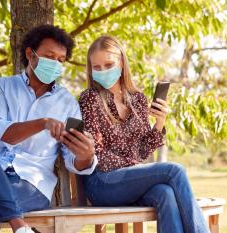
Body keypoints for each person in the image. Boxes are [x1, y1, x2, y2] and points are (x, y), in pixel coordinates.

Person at [0, 25, 97, 233]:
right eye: (50, 56)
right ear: (30, 54)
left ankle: (17, 223)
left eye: (61, 60)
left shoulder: (68, 103)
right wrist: (41, 123)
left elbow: (72, 159)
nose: (56, 64)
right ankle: (19, 224)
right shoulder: (3, 87)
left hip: (33, 183)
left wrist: (86, 156)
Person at [78, 35, 210, 233]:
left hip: (131, 181)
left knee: (165, 193)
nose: (103, 71)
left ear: (121, 63)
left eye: (108, 64)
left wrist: (159, 122)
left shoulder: (138, 99)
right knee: (174, 171)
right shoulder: (89, 99)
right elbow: (97, 153)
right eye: (97, 67)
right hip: (103, 183)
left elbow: (142, 150)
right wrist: (136, 167)